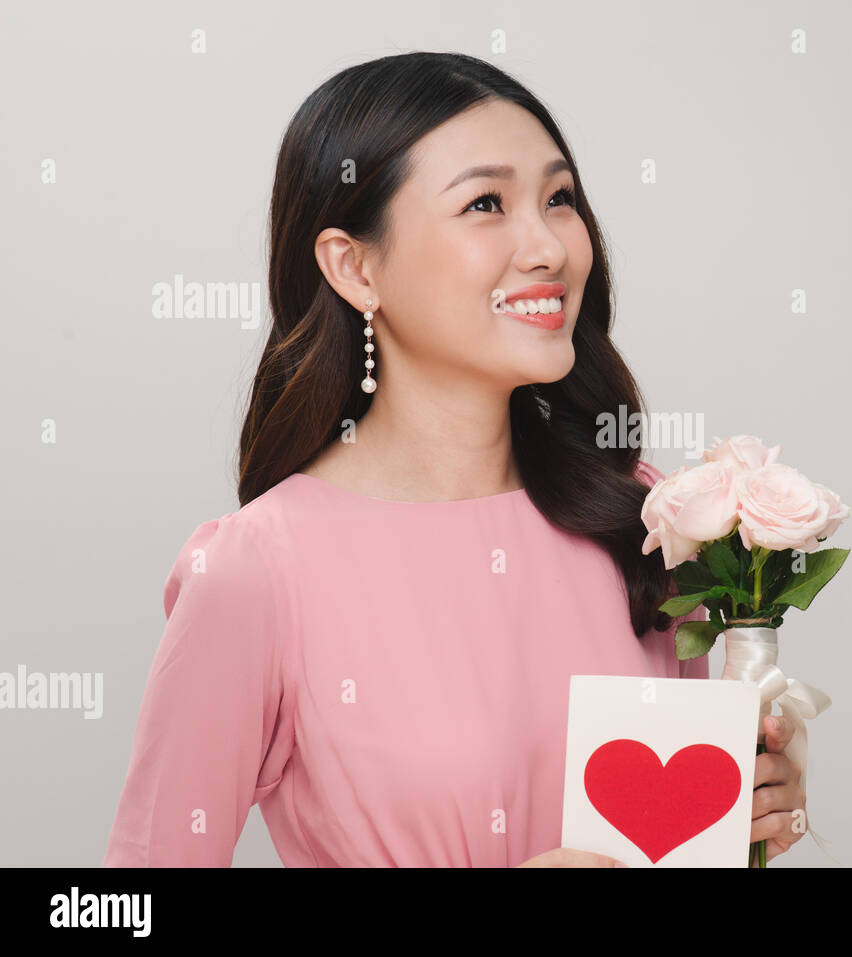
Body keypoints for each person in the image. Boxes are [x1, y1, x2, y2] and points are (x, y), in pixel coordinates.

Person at [101, 51, 806, 867]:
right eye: (485, 203)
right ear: (354, 267)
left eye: (559, 199)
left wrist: (748, 818)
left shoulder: (649, 521)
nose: (548, 247)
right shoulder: (257, 570)